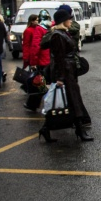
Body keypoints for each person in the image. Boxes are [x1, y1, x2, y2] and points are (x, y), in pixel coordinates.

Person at [40, 8, 93, 142]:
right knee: (72, 101)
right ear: (63, 21)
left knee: (71, 101)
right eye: (69, 19)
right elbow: (59, 58)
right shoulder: (58, 35)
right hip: (65, 73)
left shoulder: (63, 33)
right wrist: (60, 78)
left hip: (68, 71)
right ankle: (80, 131)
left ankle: (46, 129)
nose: (71, 20)